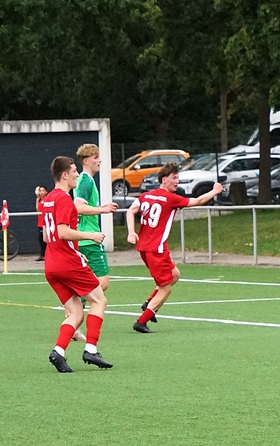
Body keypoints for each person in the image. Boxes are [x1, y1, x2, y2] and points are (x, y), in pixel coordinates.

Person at [126, 162, 222, 333]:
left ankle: (149, 303)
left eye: (178, 178)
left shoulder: (146, 196)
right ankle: (141, 321)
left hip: (144, 248)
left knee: (175, 274)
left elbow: (130, 211)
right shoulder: (171, 199)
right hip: (157, 249)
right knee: (165, 288)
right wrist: (214, 191)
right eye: (174, 178)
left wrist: (131, 232)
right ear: (164, 180)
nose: (177, 181)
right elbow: (198, 200)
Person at [40, 157, 113, 373]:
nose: (77, 175)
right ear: (64, 175)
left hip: (51, 264)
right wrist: (90, 235)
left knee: (75, 312)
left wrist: (74, 250)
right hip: (67, 262)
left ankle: (58, 352)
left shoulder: (48, 200)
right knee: (99, 300)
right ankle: (91, 349)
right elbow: (62, 232)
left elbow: (47, 236)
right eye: (73, 171)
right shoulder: (64, 199)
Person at [73, 144, 118, 291]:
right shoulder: (86, 181)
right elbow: (78, 207)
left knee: (88, 282)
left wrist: (102, 207)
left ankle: (77, 302)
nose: (100, 160)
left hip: (82, 239)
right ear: (86, 161)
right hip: (89, 240)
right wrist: (103, 210)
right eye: (96, 157)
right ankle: (74, 301)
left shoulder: (82, 180)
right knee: (102, 282)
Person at [35, 186, 48, 261]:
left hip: (45, 223)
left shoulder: (47, 200)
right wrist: (37, 199)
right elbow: (38, 209)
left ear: (46, 192)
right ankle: (42, 254)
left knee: (44, 239)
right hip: (40, 223)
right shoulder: (39, 200)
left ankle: (45, 255)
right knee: (40, 239)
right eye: (40, 191)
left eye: (43, 190)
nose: (42, 192)